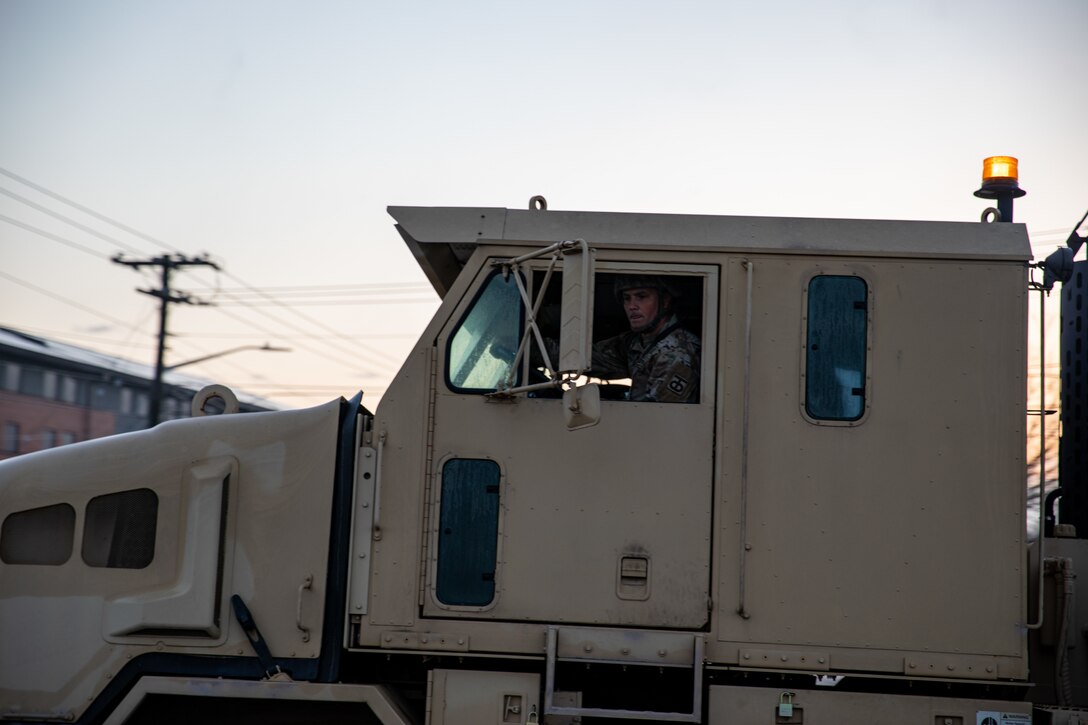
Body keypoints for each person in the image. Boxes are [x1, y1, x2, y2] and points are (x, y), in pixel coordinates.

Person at [589, 276, 701, 403]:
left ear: (664, 301)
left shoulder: (676, 352)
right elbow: (592, 357)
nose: (632, 306)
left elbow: (657, 415)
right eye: (627, 298)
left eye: (641, 297)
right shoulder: (637, 341)